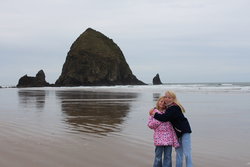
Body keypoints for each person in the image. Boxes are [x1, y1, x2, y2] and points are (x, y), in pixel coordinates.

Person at [150, 91, 193, 167]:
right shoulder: (168, 108)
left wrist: (154, 114)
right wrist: (155, 109)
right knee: (179, 153)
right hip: (177, 132)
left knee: (187, 153)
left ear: (173, 99)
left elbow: (164, 118)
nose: (167, 99)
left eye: (169, 97)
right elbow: (161, 109)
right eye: (166, 97)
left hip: (184, 131)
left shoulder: (174, 107)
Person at [148, 96, 180, 167]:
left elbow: (173, 122)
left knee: (168, 157)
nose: (162, 103)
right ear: (158, 102)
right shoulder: (153, 112)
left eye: (164, 102)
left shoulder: (168, 112)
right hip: (158, 138)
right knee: (158, 157)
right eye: (161, 101)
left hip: (169, 138)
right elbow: (150, 125)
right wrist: (159, 119)